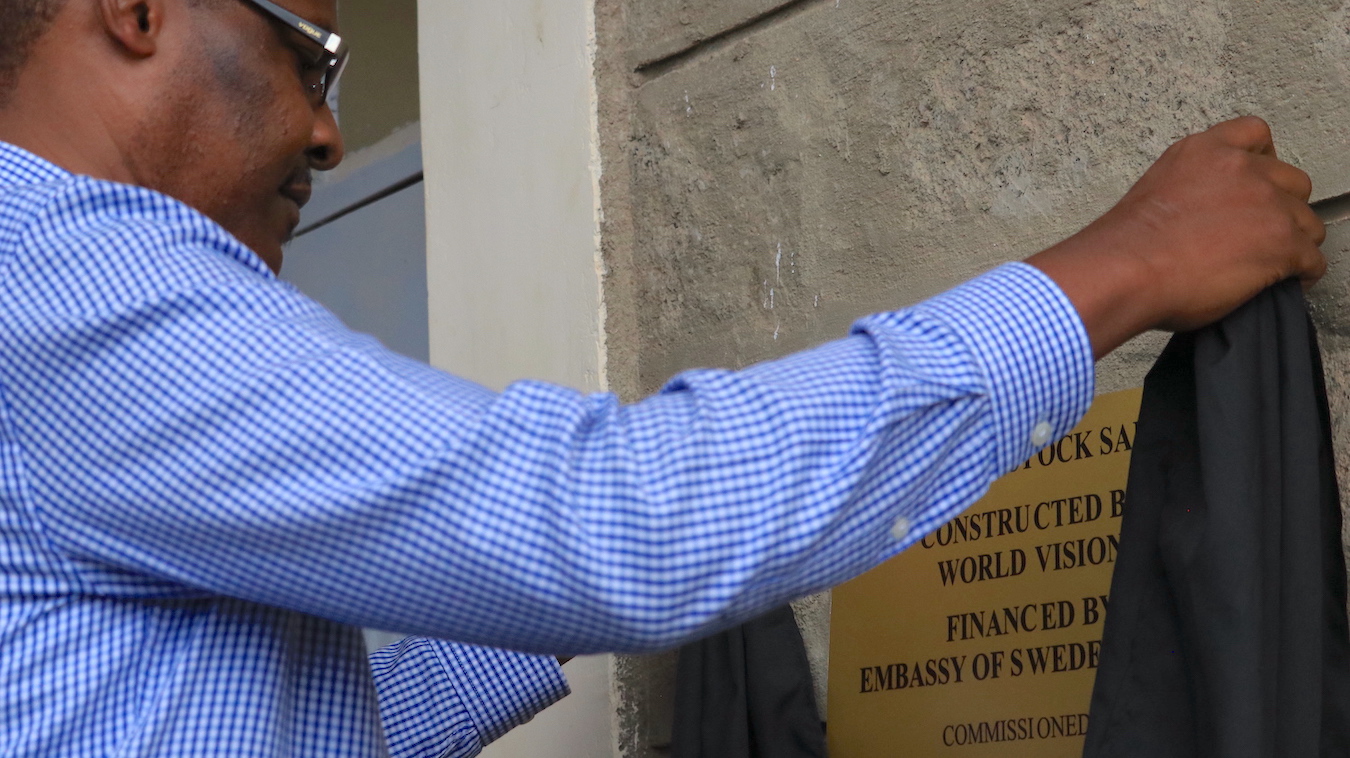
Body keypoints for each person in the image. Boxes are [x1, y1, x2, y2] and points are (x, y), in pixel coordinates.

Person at [0, 0, 1327, 756]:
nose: (330, 132)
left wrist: (550, 562)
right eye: (311, 54)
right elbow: (613, 522)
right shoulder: (72, 272)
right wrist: (1119, 268)